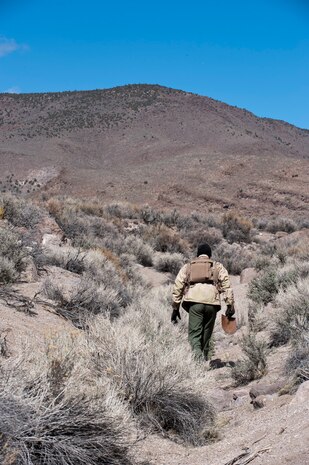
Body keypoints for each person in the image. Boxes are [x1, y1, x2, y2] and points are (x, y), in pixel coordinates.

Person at [171, 243, 235, 361]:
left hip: (194, 303)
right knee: (207, 334)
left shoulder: (188, 266)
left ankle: (197, 360)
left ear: (198, 255)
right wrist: (230, 305)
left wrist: (176, 307)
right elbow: (227, 286)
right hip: (212, 303)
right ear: (209, 255)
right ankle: (204, 359)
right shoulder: (217, 266)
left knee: (195, 334)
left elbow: (177, 286)